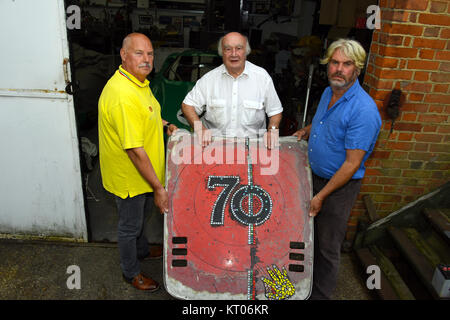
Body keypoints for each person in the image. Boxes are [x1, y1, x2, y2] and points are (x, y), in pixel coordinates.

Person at [293, 39, 381, 300]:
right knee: (309, 239)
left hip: (337, 188)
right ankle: (305, 286)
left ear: (357, 69)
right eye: (334, 62)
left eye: (347, 64)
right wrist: (307, 131)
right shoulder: (328, 92)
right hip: (315, 178)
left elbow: (352, 163)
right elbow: (325, 124)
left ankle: (320, 295)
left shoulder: (364, 110)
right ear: (327, 64)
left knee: (327, 247)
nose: (339, 69)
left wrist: (321, 196)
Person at [98, 33, 177, 291]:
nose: (146, 59)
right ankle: (131, 272)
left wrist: (162, 124)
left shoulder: (138, 82)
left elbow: (145, 114)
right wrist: (158, 188)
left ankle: (142, 250)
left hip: (142, 174)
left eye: (150, 53)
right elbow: (133, 150)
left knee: (140, 219)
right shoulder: (123, 95)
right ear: (123, 55)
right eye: (138, 53)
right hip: (130, 177)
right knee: (129, 225)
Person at [181, 32, 283, 149]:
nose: (233, 54)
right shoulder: (209, 79)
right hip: (214, 149)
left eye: (238, 48)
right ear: (222, 53)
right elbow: (187, 105)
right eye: (228, 49)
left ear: (246, 52)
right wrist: (200, 130)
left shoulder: (262, 77)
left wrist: (272, 132)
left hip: (252, 149)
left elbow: (275, 111)